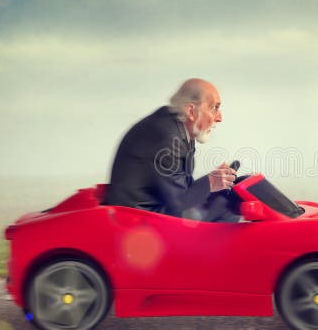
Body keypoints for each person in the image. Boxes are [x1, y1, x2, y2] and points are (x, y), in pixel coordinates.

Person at [103, 78, 240, 222]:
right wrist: (210, 182)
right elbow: (179, 205)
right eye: (214, 108)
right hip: (139, 218)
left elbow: (182, 189)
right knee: (229, 207)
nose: (219, 118)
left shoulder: (179, 128)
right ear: (191, 111)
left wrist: (214, 184)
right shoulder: (166, 138)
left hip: (151, 208)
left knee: (222, 200)